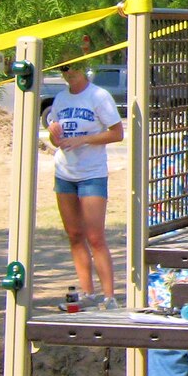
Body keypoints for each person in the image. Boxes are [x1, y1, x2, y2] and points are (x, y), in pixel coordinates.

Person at [48, 62, 124, 308]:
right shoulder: (60, 99)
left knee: (95, 236)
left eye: (72, 68)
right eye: (64, 69)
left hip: (92, 173)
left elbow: (116, 132)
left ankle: (109, 296)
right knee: (74, 234)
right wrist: (54, 134)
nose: (69, 73)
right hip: (65, 173)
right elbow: (55, 137)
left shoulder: (98, 96)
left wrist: (85, 140)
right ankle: (87, 293)